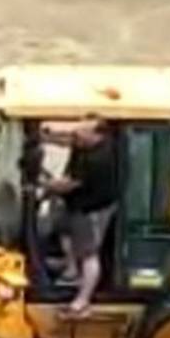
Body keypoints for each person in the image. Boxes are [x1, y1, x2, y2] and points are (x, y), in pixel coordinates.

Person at [41, 119, 117, 316]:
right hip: (75, 204)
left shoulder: (99, 158)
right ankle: (71, 268)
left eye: (81, 134)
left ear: (98, 135)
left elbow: (69, 184)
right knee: (62, 227)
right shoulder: (86, 143)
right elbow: (65, 139)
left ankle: (82, 300)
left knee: (89, 254)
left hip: (91, 209)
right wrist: (44, 135)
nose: (76, 137)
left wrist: (45, 185)